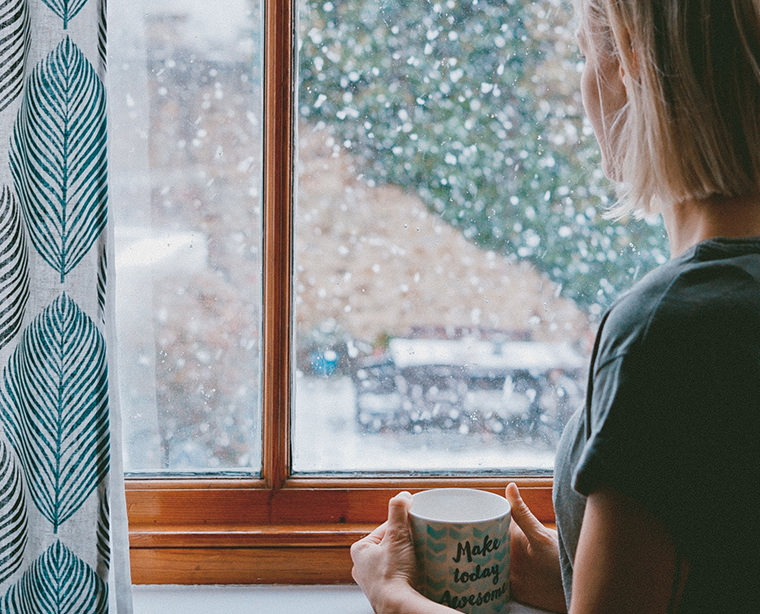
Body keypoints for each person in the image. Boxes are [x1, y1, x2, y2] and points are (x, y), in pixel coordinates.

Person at [350, 0, 760, 612]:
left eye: (581, 55)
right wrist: (572, 572)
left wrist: (392, 597)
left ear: (628, 60)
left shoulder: (666, 329)